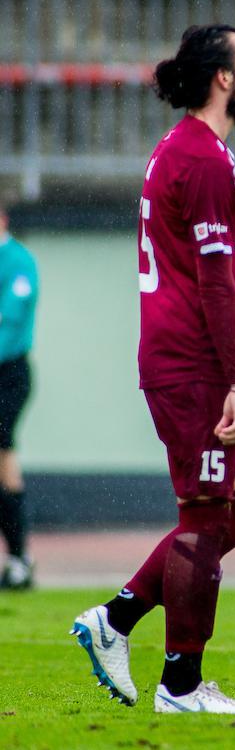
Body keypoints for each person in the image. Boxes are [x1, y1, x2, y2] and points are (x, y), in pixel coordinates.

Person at [71, 24, 235, 713]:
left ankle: (116, 620)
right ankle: (180, 685)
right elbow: (216, 281)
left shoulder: (185, 150)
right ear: (222, 78)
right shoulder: (204, 160)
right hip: (196, 366)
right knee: (207, 514)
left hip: (195, 360)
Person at [0, 204, 38, 590]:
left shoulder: (18, 262)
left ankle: (19, 558)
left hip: (8, 374)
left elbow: (9, 320)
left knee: (4, 451)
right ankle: (18, 558)